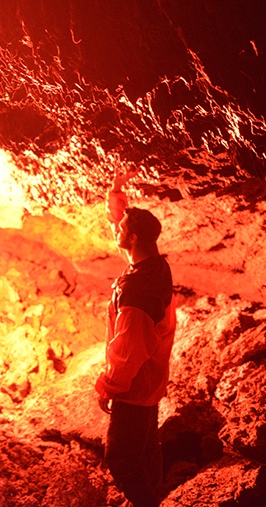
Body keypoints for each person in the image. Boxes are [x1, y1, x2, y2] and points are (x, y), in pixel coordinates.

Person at [95, 169, 177, 507]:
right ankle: (155, 493)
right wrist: (117, 194)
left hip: (134, 389)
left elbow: (129, 351)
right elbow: (128, 227)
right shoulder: (155, 265)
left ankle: (149, 504)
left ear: (133, 240)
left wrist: (109, 386)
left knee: (121, 459)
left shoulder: (136, 294)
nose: (117, 230)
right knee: (146, 448)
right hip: (153, 381)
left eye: (122, 230)